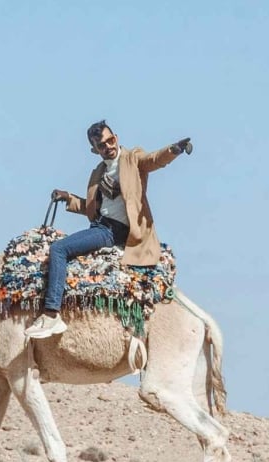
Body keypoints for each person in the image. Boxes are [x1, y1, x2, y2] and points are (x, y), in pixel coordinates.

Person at [24, 121, 193, 339]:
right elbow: (94, 208)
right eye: (102, 145)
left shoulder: (132, 159)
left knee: (58, 249)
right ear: (95, 149)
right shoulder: (99, 173)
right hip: (100, 225)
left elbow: (153, 160)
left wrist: (174, 150)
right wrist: (68, 198)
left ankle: (51, 313)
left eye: (110, 140)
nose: (108, 147)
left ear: (116, 137)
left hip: (115, 231)